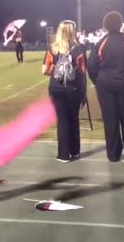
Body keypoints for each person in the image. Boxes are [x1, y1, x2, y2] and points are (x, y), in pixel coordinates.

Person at [87, 12, 124, 162]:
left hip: (106, 85)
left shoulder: (102, 42)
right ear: (120, 24)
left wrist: (98, 81)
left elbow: (91, 65)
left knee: (110, 119)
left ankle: (113, 154)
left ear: (105, 25)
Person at [42, 20, 86, 163]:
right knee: (74, 119)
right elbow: (82, 72)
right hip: (74, 88)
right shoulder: (80, 49)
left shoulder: (52, 48)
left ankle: (63, 155)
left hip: (56, 88)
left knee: (62, 120)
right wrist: (84, 93)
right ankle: (75, 151)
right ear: (73, 31)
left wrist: (57, 73)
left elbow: (44, 70)